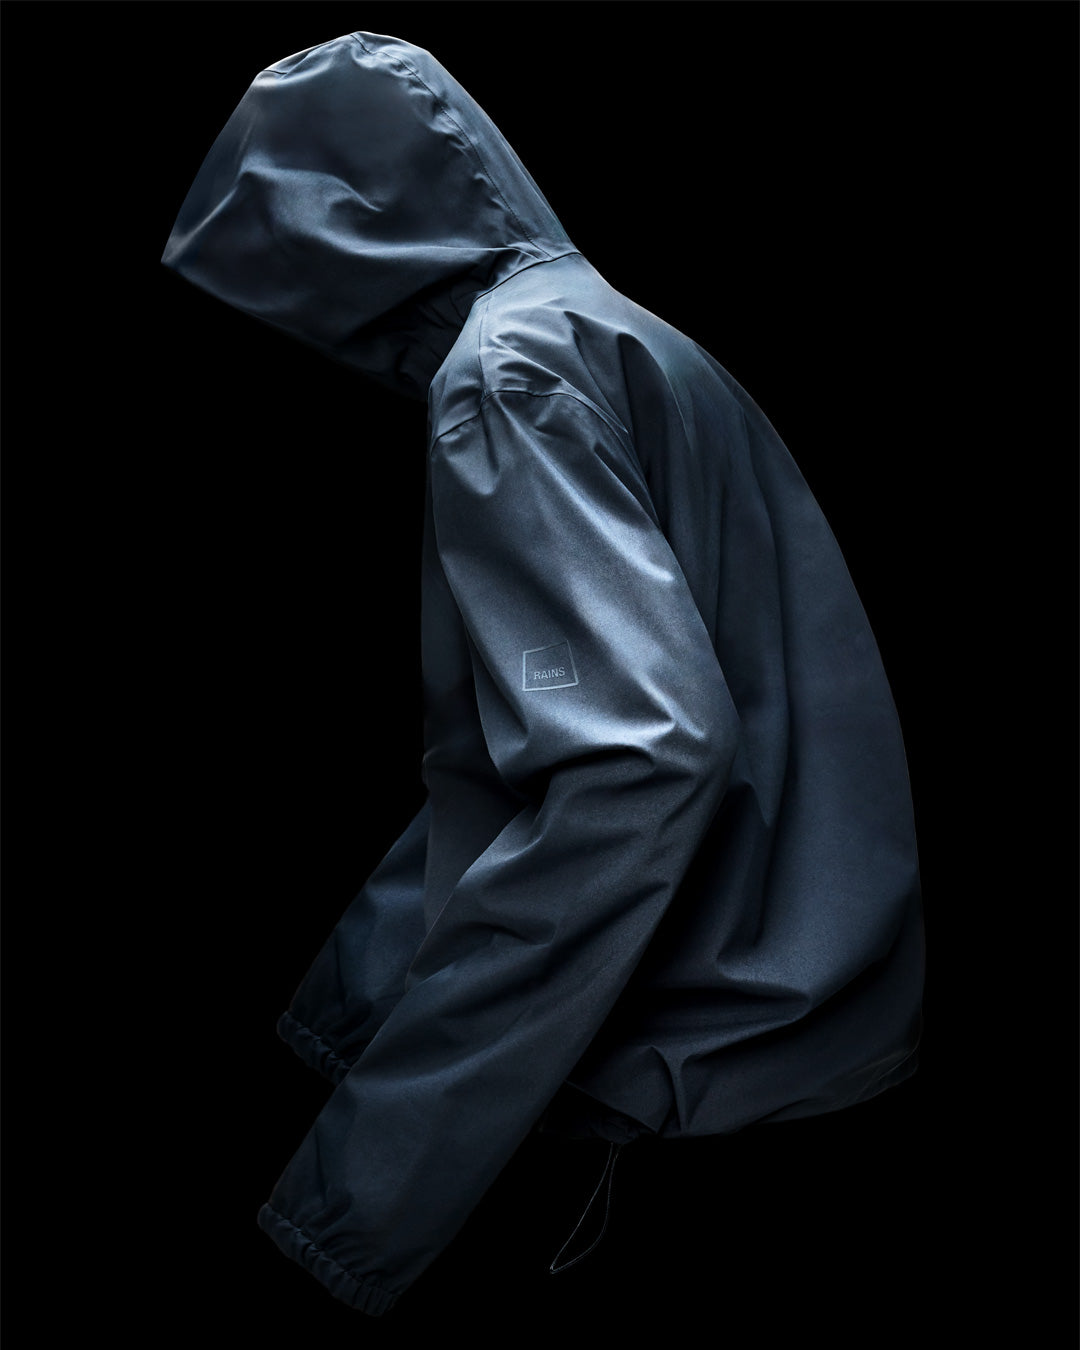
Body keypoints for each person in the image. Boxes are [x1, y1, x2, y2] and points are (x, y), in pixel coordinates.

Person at [161, 30, 924, 1319]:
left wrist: (356, 1197)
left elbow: (633, 764)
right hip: (807, 1034)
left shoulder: (505, 379)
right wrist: (340, 1020)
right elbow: (535, 759)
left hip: (697, 1080)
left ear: (337, 243)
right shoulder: (609, 331)